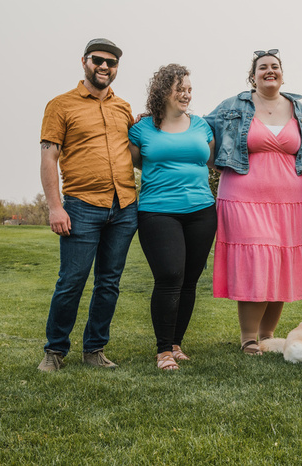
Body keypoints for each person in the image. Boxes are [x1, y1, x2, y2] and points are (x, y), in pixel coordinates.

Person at [204, 49, 302, 355]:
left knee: (279, 262)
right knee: (257, 260)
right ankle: (249, 338)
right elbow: (201, 133)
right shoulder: (231, 106)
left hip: (293, 202)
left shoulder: (301, 110)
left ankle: (267, 336)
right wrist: (218, 162)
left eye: (275, 66)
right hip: (243, 198)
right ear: (252, 76)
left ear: (282, 73)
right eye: (262, 67)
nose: (270, 71)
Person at [37, 38, 138, 372]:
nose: (105, 67)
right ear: (85, 61)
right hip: (81, 206)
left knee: (109, 282)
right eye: (99, 60)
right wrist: (55, 206)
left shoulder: (123, 107)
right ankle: (54, 351)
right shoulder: (60, 105)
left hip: (124, 207)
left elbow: (135, 155)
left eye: (112, 63)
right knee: (72, 281)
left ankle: (94, 349)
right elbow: (49, 157)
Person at [129, 64, 217, 371]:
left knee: (190, 280)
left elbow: (209, 159)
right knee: (169, 276)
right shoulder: (141, 129)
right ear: (163, 91)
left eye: (189, 89)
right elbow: (138, 162)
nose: (186, 94)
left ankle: (176, 344)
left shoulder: (202, 126)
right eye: (180, 89)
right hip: (158, 211)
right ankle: (163, 350)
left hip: (202, 211)